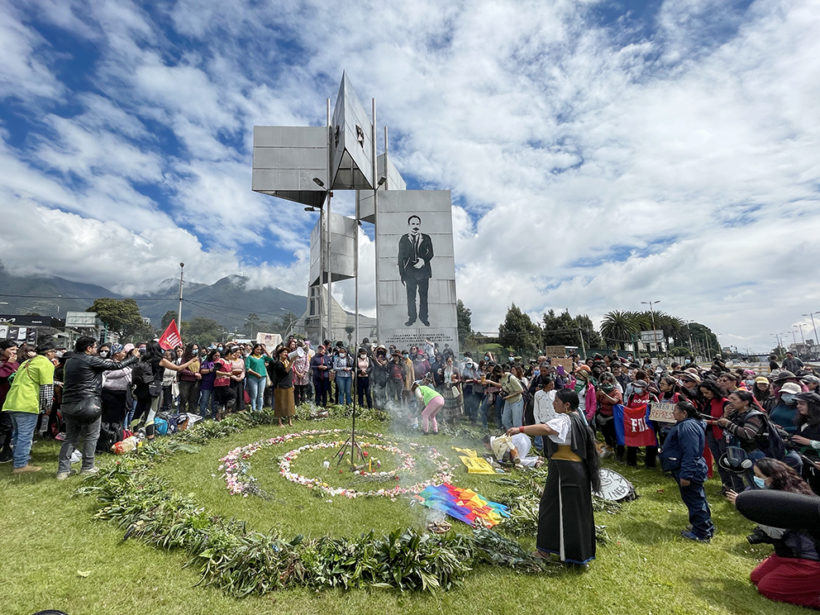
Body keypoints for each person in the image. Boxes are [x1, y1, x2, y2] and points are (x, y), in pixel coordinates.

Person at [508, 389, 600, 565]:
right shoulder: (577, 418)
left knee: (553, 508)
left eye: (556, 401)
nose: (553, 404)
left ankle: (551, 552)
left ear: (566, 405)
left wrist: (520, 429)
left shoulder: (565, 419)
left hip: (566, 472)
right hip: (570, 470)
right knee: (569, 510)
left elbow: (547, 429)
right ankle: (571, 555)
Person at [726, 459, 820, 609]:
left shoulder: (785, 500)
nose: (756, 478)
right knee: (756, 577)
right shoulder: (783, 491)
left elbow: (776, 532)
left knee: (767, 588)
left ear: (772, 477)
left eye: (759, 475)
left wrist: (753, 512)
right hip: (786, 554)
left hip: (807, 560)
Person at [57, 336, 140, 479]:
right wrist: (133, 358)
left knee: (70, 438)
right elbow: (116, 366)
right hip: (89, 404)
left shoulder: (70, 361)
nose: (96, 350)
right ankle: (88, 466)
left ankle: (63, 470)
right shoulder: (90, 359)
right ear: (88, 348)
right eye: (95, 347)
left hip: (69, 404)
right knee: (91, 436)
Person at [660, 400, 714, 542]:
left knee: (695, 500)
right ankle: (703, 527)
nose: (673, 413)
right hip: (688, 468)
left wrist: (686, 475)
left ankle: (702, 533)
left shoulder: (688, 427)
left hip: (690, 470)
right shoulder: (688, 424)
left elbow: (691, 452)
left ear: (684, 413)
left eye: (675, 410)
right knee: (697, 498)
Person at [1, 339, 56, 473]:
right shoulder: (46, 364)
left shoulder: (26, 362)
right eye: (54, 352)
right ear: (49, 353)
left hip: (12, 401)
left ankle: (18, 459)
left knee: (17, 434)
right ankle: (20, 465)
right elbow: (47, 388)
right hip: (27, 403)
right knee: (25, 435)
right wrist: (46, 406)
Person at [133, 341, 196, 436]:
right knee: (150, 414)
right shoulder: (160, 360)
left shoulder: (143, 359)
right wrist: (192, 361)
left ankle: (134, 435)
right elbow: (178, 368)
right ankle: (150, 438)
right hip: (153, 390)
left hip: (141, 389)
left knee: (138, 412)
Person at [398, 214, 434, 326]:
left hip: (423, 272)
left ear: (420, 225)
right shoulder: (404, 239)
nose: (415, 226)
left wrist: (423, 260)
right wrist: (402, 275)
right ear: (409, 225)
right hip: (409, 273)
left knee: (423, 296)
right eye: (413, 224)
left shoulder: (426, 238)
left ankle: (424, 317)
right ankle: (412, 318)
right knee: (411, 297)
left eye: (417, 224)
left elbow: (431, 253)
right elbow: (400, 258)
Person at [0, 340, 20, 463]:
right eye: (11, 350)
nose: (14, 353)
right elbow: (2, 375)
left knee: (8, 427)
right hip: (1, 399)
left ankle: (6, 453)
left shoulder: (15, 363)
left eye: (16, 350)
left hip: (10, 399)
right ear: (2, 350)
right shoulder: (7, 363)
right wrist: (9, 364)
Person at [271, 346, 295, 427]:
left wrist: (292, 383)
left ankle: (289, 421)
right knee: (280, 404)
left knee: (290, 404)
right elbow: (285, 372)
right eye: (284, 352)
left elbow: (291, 374)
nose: (286, 354)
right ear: (280, 354)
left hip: (289, 385)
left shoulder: (288, 362)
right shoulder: (278, 363)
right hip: (280, 385)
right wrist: (291, 362)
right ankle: (280, 422)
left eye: (287, 352)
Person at [244, 343, 271, 412]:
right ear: (254, 349)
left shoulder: (263, 357)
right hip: (253, 378)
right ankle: (253, 409)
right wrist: (256, 374)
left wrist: (264, 349)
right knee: (254, 394)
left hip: (262, 377)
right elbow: (248, 368)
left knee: (261, 394)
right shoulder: (249, 357)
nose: (259, 351)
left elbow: (270, 358)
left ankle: (260, 410)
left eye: (260, 350)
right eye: (257, 349)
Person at [177, 343, 201, 415]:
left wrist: (199, 374)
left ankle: (192, 415)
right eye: (193, 349)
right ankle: (182, 416)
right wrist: (193, 374)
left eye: (196, 349)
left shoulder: (198, 358)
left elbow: (200, 369)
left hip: (196, 382)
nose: (195, 350)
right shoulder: (184, 358)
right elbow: (182, 369)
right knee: (183, 400)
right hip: (185, 382)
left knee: (193, 400)